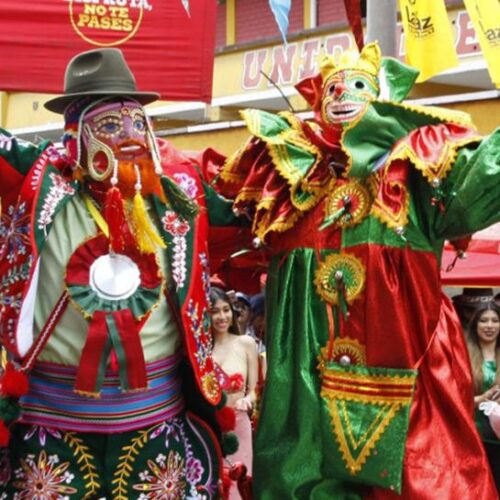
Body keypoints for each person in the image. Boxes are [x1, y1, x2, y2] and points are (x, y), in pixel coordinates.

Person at [217, 42, 500, 498]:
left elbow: (483, 179)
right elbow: (211, 215)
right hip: (304, 405)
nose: (342, 95)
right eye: (332, 88)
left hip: (411, 387)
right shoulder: (289, 184)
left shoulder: (416, 173)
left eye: (358, 85)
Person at [0, 48, 236, 498]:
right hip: (51, 423)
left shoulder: (179, 194)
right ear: (76, 133)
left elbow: (258, 224)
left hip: (156, 424)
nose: (128, 134)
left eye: (137, 122)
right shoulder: (37, 179)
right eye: (110, 124)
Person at [209, 287, 258, 500]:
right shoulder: (199, 350)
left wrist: (248, 400)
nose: (222, 317)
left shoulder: (245, 343)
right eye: (215, 311)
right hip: (208, 427)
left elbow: (254, 390)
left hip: (239, 425)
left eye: (226, 310)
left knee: (240, 487)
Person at [466, 302, 500, 493]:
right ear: (475, 325)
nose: (489, 325)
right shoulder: (463, 355)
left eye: (495, 321)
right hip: (474, 439)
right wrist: (481, 399)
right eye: (484, 320)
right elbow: (453, 401)